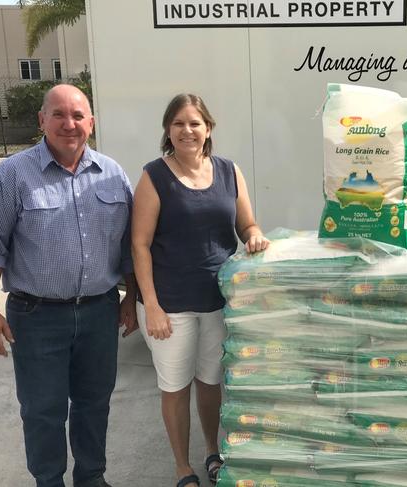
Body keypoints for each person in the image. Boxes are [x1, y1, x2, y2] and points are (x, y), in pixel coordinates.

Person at [0, 84, 138, 487]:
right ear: (42, 120)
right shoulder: (10, 177)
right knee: (43, 410)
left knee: (94, 404)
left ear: (91, 123)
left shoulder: (113, 174)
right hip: (36, 317)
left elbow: (128, 246)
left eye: (78, 116)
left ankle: (91, 477)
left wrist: (131, 297)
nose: (70, 124)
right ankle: (48, 481)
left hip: (100, 311)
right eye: (59, 115)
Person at [132, 93, 269, 487]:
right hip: (170, 306)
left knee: (211, 382)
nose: (187, 130)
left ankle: (212, 451)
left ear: (208, 128)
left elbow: (247, 225)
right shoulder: (154, 176)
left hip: (218, 301)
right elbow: (139, 243)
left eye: (194, 123)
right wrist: (152, 306)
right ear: (168, 131)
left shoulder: (228, 171)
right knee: (175, 387)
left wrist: (255, 235)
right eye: (178, 123)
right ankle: (182, 466)